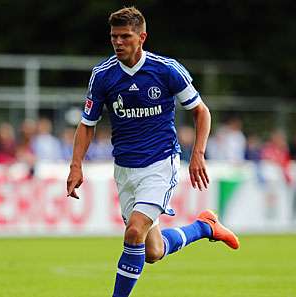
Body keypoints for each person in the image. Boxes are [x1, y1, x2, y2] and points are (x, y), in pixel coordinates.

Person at [65, 7, 239, 297]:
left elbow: (201, 112)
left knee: (134, 231)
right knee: (152, 251)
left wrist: (197, 153)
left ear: (142, 37)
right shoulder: (103, 75)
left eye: (125, 36)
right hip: (124, 169)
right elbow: (87, 125)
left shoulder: (166, 70)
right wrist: (75, 165)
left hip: (160, 163)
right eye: (113, 37)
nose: (118, 42)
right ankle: (205, 227)